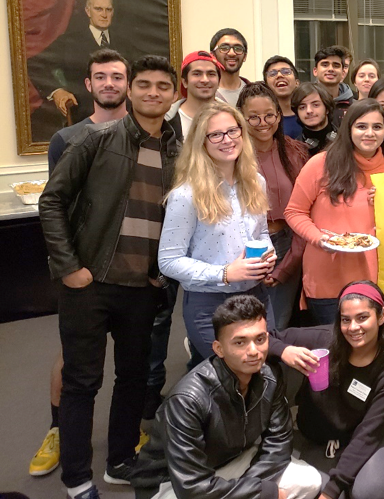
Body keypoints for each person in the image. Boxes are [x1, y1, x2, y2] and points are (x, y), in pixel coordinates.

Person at [38, 55, 181, 499]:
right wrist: (70, 269)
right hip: (90, 282)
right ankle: (77, 477)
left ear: (174, 95)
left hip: (143, 287)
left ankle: (121, 461)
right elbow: (52, 202)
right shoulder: (94, 139)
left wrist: (161, 274)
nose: (153, 93)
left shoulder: (179, 150)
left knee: (134, 377)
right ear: (131, 90)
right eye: (144, 84)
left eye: (162, 86)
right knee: (83, 381)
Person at [31, 49, 136, 479]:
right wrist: (70, 266)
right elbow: (57, 204)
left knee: (134, 367)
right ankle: (60, 432)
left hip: (134, 273)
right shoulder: (68, 139)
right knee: (76, 364)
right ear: (88, 85)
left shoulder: (151, 136)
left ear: (128, 83)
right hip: (85, 274)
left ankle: (124, 446)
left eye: (117, 76)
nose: (109, 83)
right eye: (100, 77)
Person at [131, 296, 322, 499]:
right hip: (170, 483)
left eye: (260, 339)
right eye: (240, 342)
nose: (253, 351)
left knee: (309, 481)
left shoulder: (270, 377)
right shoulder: (187, 400)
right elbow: (192, 488)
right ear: (218, 349)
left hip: (231, 462)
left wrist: (255, 491)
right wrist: (261, 493)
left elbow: (278, 444)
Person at [270, 281, 384, 499]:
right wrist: (285, 351)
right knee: (310, 489)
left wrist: (331, 491)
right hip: (325, 436)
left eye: (362, 317)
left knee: (369, 492)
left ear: (382, 316)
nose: (353, 328)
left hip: (375, 434)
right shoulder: (325, 338)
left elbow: (368, 434)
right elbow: (265, 338)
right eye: (345, 320)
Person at [158, 101, 276, 366]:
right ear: (202, 142)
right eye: (216, 134)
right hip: (210, 304)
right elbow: (168, 261)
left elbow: (262, 232)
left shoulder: (256, 182)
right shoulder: (186, 195)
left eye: (233, 131)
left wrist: (269, 253)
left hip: (257, 297)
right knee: (227, 377)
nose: (227, 140)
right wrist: (224, 274)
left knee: (260, 370)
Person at [284, 100, 384, 325]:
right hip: (327, 277)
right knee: (333, 348)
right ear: (348, 129)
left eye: (377, 127)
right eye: (361, 126)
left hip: (373, 281)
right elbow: (294, 212)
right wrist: (320, 239)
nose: (370, 133)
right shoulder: (321, 164)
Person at [239, 82, 309, 330]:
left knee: (277, 323)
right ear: (241, 118)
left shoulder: (297, 152)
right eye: (253, 117)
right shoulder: (230, 156)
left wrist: (286, 267)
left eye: (269, 115)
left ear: (279, 116)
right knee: (243, 323)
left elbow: (306, 212)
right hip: (242, 248)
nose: (263, 123)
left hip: (289, 244)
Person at [29, 0, 134, 124]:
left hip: (123, 111)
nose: (104, 14)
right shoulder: (70, 41)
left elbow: (136, 72)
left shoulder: (124, 42)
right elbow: (35, 64)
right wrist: (57, 91)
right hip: (85, 111)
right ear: (88, 11)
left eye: (108, 10)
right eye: (98, 9)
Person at [169, 51, 223, 137]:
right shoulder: (167, 120)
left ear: (219, 81)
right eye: (197, 74)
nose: (205, 80)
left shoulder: (232, 118)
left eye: (211, 74)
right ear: (184, 82)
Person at [291, 82, 338, 158]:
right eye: (302, 107)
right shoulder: (294, 150)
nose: (309, 111)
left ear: (327, 109)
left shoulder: (345, 140)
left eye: (315, 105)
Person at [313, 46, 356, 124]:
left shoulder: (355, 107)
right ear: (315, 71)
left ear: (343, 72)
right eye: (325, 65)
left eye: (336, 65)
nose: (330, 69)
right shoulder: (305, 103)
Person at [210, 28, 251, 106]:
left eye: (238, 49)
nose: (232, 53)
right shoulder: (206, 93)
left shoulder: (254, 93)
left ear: (245, 56)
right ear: (213, 55)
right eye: (224, 48)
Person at [264, 56, 302, 139]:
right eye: (272, 74)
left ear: (297, 83)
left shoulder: (309, 113)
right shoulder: (264, 121)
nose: (279, 75)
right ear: (266, 86)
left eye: (286, 72)